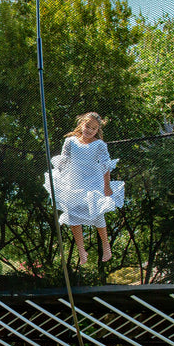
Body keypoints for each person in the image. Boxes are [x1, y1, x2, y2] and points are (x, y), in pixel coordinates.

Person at [45, 111, 124, 265]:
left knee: (97, 213)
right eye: (87, 126)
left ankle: (106, 245)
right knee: (73, 214)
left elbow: (105, 166)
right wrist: (58, 177)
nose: (89, 130)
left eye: (93, 129)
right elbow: (64, 160)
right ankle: (81, 250)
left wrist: (107, 186)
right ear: (82, 124)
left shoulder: (99, 145)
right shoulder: (70, 141)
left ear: (97, 131)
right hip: (75, 181)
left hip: (93, 181)